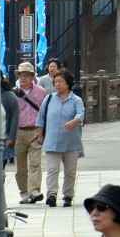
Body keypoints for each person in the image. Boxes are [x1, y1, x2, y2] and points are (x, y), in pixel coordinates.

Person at [36, 69, 85, 208]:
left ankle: (68, 195)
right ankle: (51, 194)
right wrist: (40, 134)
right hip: (52, 141)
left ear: (68, 84)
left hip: (71, 142)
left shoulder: (76, 100)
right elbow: (41, 118)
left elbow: (81, 115)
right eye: (55, 82)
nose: (57, 84)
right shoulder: (49, 99)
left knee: (70, 171)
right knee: (52, 170)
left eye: (60, 82)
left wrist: (74, 121)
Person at [12, 62, 47, 204]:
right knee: (20, 167)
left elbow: (45, 113)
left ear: (33, 76)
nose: (23, 78)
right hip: (18, 132)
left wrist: (43, 131)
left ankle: (34, 190)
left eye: (27, 75)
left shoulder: (41, 92)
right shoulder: (13, 93)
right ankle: (24, 192)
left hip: (35, 130)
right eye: (21, 75)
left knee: (35, 163)